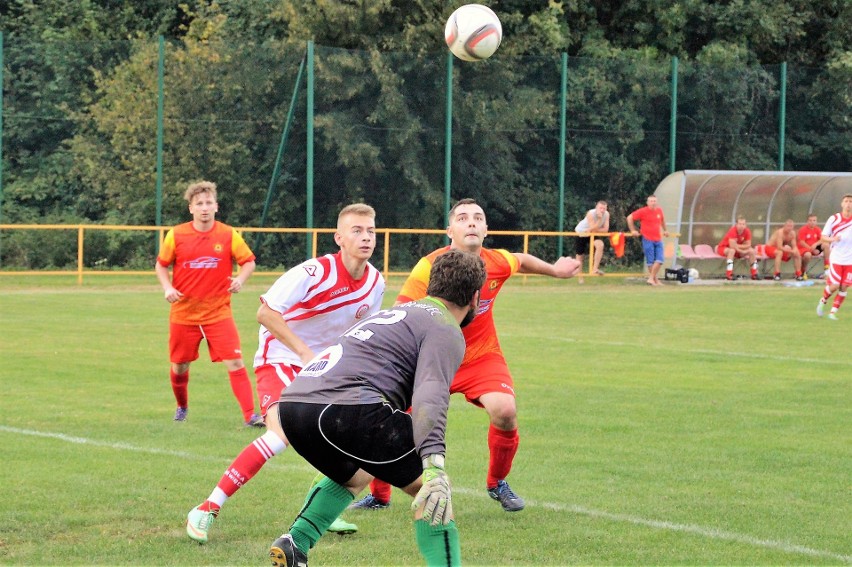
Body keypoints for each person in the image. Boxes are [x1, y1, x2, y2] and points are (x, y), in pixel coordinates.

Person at [350, 198, 581, 514]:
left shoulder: (495, 262)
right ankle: (380, 494)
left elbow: (521, 259)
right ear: (450, 231)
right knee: (392, 416)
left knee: (505, 411)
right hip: (432, 360)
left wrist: (556, 270)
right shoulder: (429, 267)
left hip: (480, 357)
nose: (471, 222)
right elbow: (401, 312)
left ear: (486, 229)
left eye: (478, 218)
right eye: (462, 218)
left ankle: (497, 482)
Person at [267, 249, 487, 567]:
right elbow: (431, 393)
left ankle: (295, 543)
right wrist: (434, 463)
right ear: (476, 297)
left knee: (357, 474)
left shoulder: (401, 312)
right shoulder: (445, 329)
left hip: (295, 404)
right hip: (344, 409)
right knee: (434, 494)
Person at [185, 204, 386, 543]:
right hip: (280, 358)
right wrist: (306, 354)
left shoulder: (376, 283)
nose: (365, 237)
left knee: (346, 434)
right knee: (282, 434)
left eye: (370, 231)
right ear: (339, 238)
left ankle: (321, 510)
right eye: (357, 230)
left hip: (323, 368)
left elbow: (360, 333)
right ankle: (207, 507)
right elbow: (265, 313)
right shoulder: (313, 272)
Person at [155, 180, 262, 426]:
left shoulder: (227, 234)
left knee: (235, 361)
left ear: (217, 206)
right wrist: (167, 287)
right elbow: (161, 264)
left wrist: (241, 280)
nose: (204, 208)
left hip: (218, 313)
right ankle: (182, 406)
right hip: (184, 314)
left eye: (209, 203)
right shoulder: (177, 234)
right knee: (180, 366)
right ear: (190, 208)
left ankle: (250, 416)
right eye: (199, 204)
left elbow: (249, 261)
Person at [816, 194, 852, 320]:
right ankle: (823, 300)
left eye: (851, 202)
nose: (848, 204)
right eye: (846, 201)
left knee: (844, 286)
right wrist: (833, 239)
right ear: (842, 204)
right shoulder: (834, 218)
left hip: (850, 260)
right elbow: (823, 236)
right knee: (835, 285)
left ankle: (832, 313)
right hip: (837, 257)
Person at [627, 195, 668, 286]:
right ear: (647, 202)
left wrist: (665, 230)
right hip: (647, 238)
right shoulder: (643, 211)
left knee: (660, 259)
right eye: (651, 201)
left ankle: (651, 278)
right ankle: (655, 280)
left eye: (654, 201)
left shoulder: (659, 211)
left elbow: (662, 221)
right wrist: (633, 230)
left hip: (658, 238)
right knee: (650, 261)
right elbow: (629, 218)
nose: (653, 203)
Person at [574, 200, 610, 283]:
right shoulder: (590, 213)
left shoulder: (607, 214)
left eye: (604, 208)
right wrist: (599, 220)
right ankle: (580, 277)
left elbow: (605, 230)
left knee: (600, 245)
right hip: (581, 232)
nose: (602, 210)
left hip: (591, 233)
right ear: (596, 207)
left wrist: (593, 228)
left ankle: (595, 269)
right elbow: (593, 228)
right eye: (600, 208)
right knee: (580, 256)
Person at [798, 213, 829, 279]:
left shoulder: (817, 229)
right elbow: (802, 242)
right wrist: (811, 249)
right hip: (805, 249)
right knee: (808, 255)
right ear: (807, 221)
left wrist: (815, 244)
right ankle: (803, 271)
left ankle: (827, 266)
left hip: (814, 248)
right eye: (810, 220)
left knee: (826, 245)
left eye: (814, 220)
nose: (812, 222)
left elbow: (822, 239)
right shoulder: (803, 229)